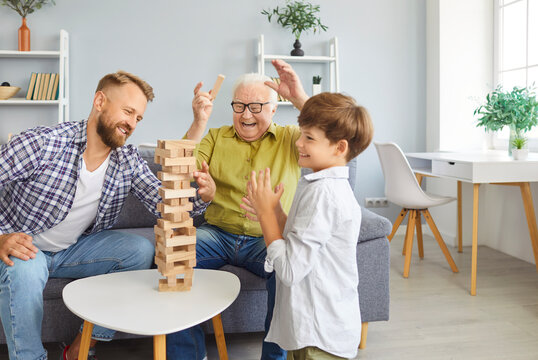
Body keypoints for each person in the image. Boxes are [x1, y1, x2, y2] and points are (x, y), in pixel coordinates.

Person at [0, 70, 215, 360]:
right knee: (22, 267)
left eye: (138, 118)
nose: (131, 123)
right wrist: (1, 236)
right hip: (28, 245)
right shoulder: (43, 143)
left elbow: (162, 201)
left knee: (140, 250)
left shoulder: (127, 159)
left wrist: (202, 196)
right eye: (128, 111)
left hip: (74, 248)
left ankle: (82, 346)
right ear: (100, 101)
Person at [166, 60, 309, 360]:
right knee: (173, 256)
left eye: (256, 107)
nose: (246, 114)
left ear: (273, 109)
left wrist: (299, 98)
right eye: (239, 106)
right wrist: (199, 122)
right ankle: (188, 356)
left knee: (287, 276)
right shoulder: (217, 136)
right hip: (217, 233)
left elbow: (331, 134)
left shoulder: (291, 138)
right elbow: (177, 166)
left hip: (266, 238)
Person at [244, 93, 374, 359]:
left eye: (309, 138)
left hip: (318, 335)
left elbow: (290, 269)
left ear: (340, 148)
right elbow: (302, 239)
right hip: (317, 329)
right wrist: (275, 212)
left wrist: (268, 217)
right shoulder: (321, 184)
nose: (298, 142)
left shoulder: (323, 194)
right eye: (301, 133)